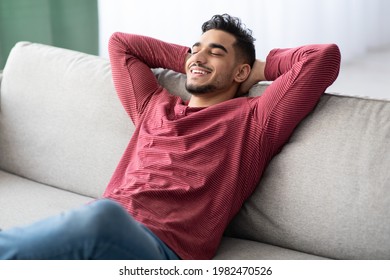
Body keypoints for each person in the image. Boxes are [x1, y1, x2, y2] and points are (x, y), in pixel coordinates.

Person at [0, 14, 340, 260]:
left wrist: (258, 67)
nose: (198, 57)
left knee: (105, 217)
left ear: (241, 72)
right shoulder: (153, 105)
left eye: (216, 52)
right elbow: (121, 44)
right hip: (101, 238)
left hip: (164, 251)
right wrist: (196, 59)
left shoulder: (254, 120)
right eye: (195, 49)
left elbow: (322, 58)